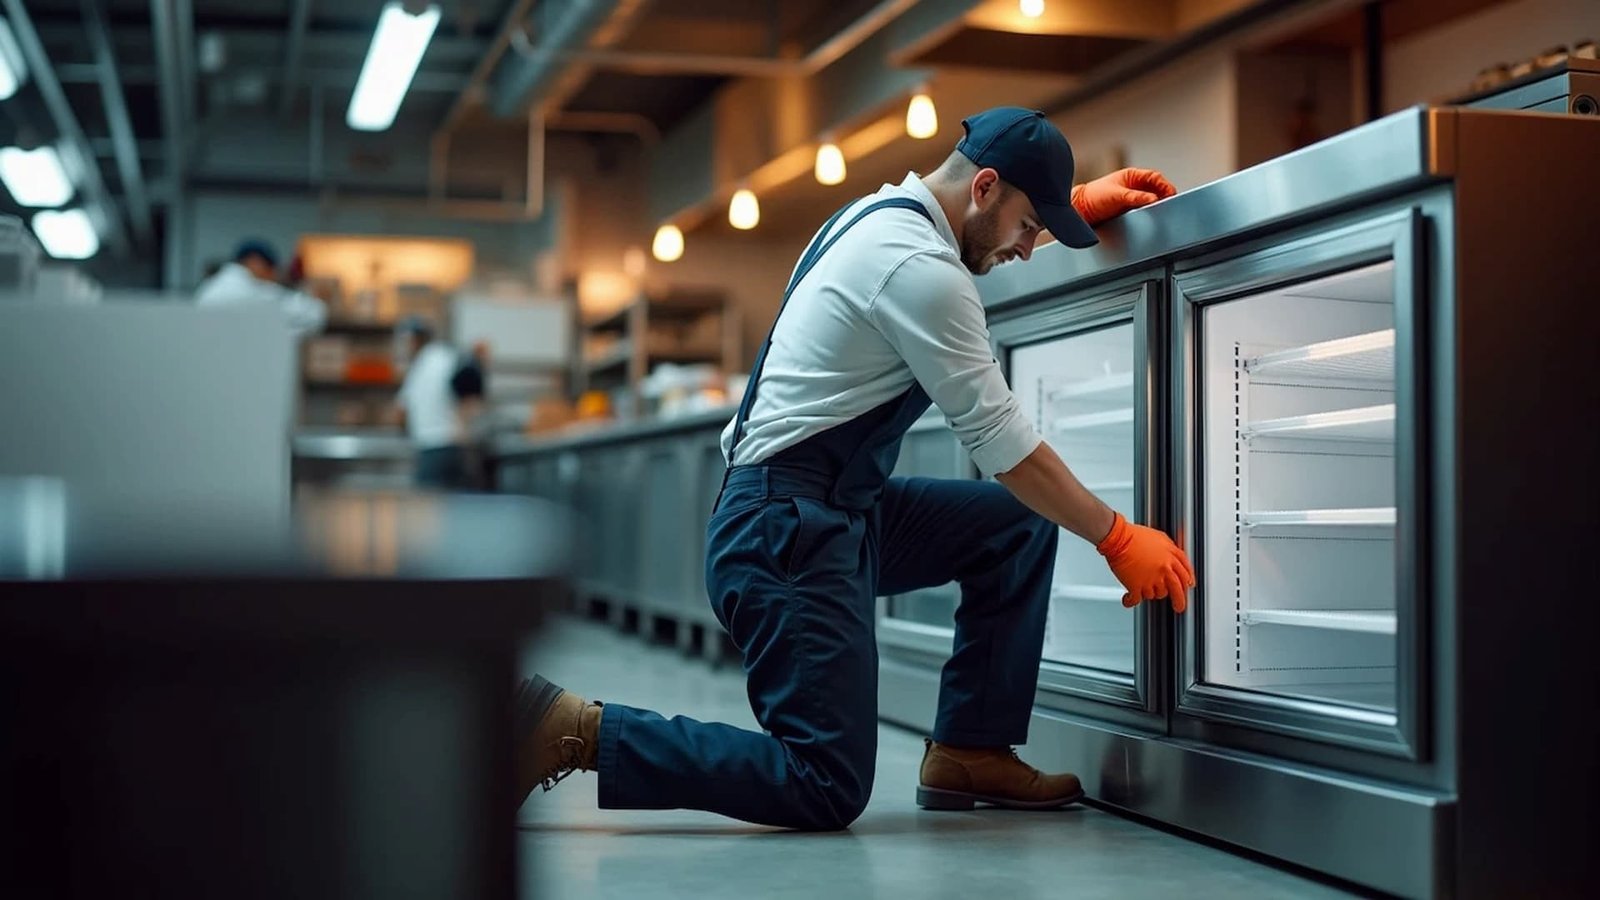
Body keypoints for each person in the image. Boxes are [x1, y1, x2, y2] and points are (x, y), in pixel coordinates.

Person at [517, 108, 1194, 829]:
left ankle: (971, 747)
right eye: (1029, 226)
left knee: (1015, 529)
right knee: (823, 782)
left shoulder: (879, 216)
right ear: (987, 187)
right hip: (783, 533)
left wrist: (1065, 209)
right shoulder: (918, 267)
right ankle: (575, 728)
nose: (1028, 248)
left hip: (827, 510)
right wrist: (1118, 537)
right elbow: (1007, 448)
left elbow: (960, 256)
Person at [394, 317, 478, 490]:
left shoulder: (427, 362)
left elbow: (401, 411)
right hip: (453, 445)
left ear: (415, 340)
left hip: (434, 447)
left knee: (428, 508)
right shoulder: (442, 358)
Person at [194, 239, 328, 338]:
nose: (273, 277)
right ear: (255, 262)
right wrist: (317, 301)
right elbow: (309, 314)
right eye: (271, 269)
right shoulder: (244, 289)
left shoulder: (214, 285)